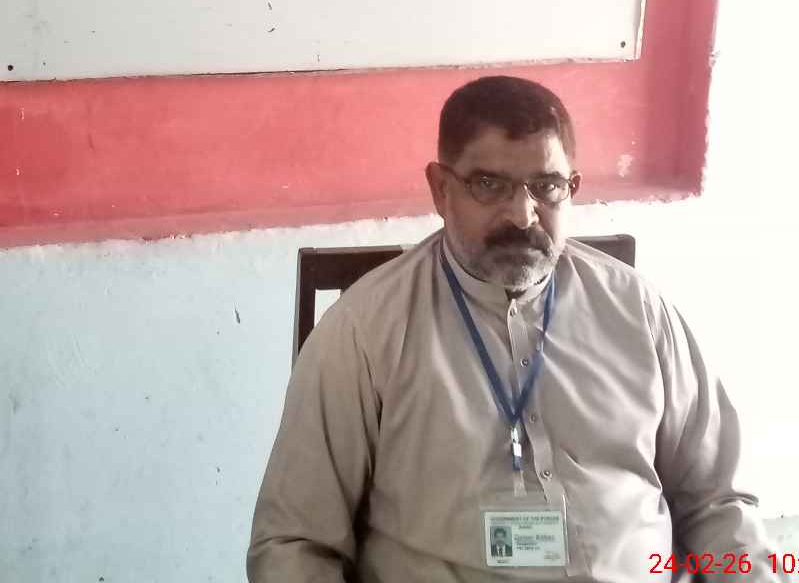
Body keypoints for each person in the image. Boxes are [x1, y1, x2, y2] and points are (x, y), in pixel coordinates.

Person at [247, 75, 771, 581]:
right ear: (440, 189)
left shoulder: (638, 310)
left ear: (573, 187)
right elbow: (294, 544)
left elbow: (719, 502)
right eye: (489, 185)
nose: (523, 215)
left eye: (547, 186)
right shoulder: (365, 330)